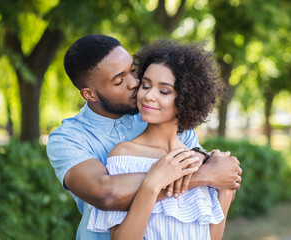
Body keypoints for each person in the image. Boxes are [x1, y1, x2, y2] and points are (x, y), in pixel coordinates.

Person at [46, 34, 242, 240]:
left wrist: (216, 174)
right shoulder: (68, 138)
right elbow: (106, 193)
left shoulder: (162, 115)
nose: (135, 83)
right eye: (120, 80)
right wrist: (205, 176)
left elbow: (206, 190)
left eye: (133, 70)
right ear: (90, 94)